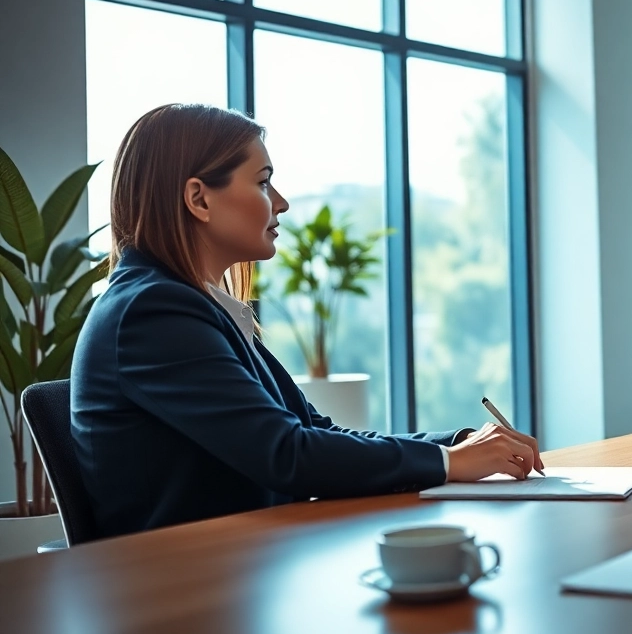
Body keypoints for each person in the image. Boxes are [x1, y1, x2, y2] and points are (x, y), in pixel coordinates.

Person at [71, 103, 543, 539]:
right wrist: (448, 462)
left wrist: (456, 445)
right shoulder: (152, 313)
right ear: (199, 198)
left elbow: (315, 432)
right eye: (261, 182)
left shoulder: (193, 306)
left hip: (242, 564)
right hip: (180, 593)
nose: (280, 202)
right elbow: (287, 454)